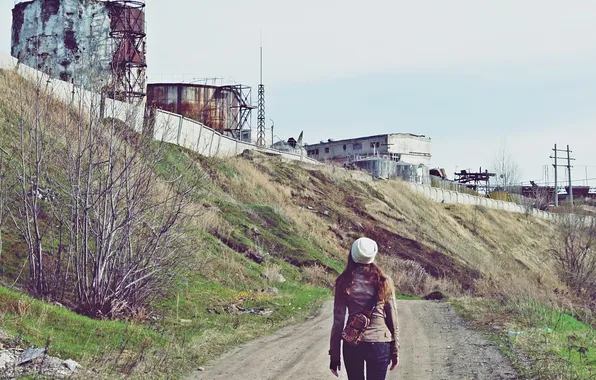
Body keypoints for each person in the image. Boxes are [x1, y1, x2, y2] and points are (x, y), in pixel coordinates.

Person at [329, 237, 399, 380]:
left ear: (352, 255)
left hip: (353, 343)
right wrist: (395, 349)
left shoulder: (344, 281)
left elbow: (338, 321)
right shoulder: (384, 281)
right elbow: (393, 318)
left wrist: (334, 356)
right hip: (380, 342)